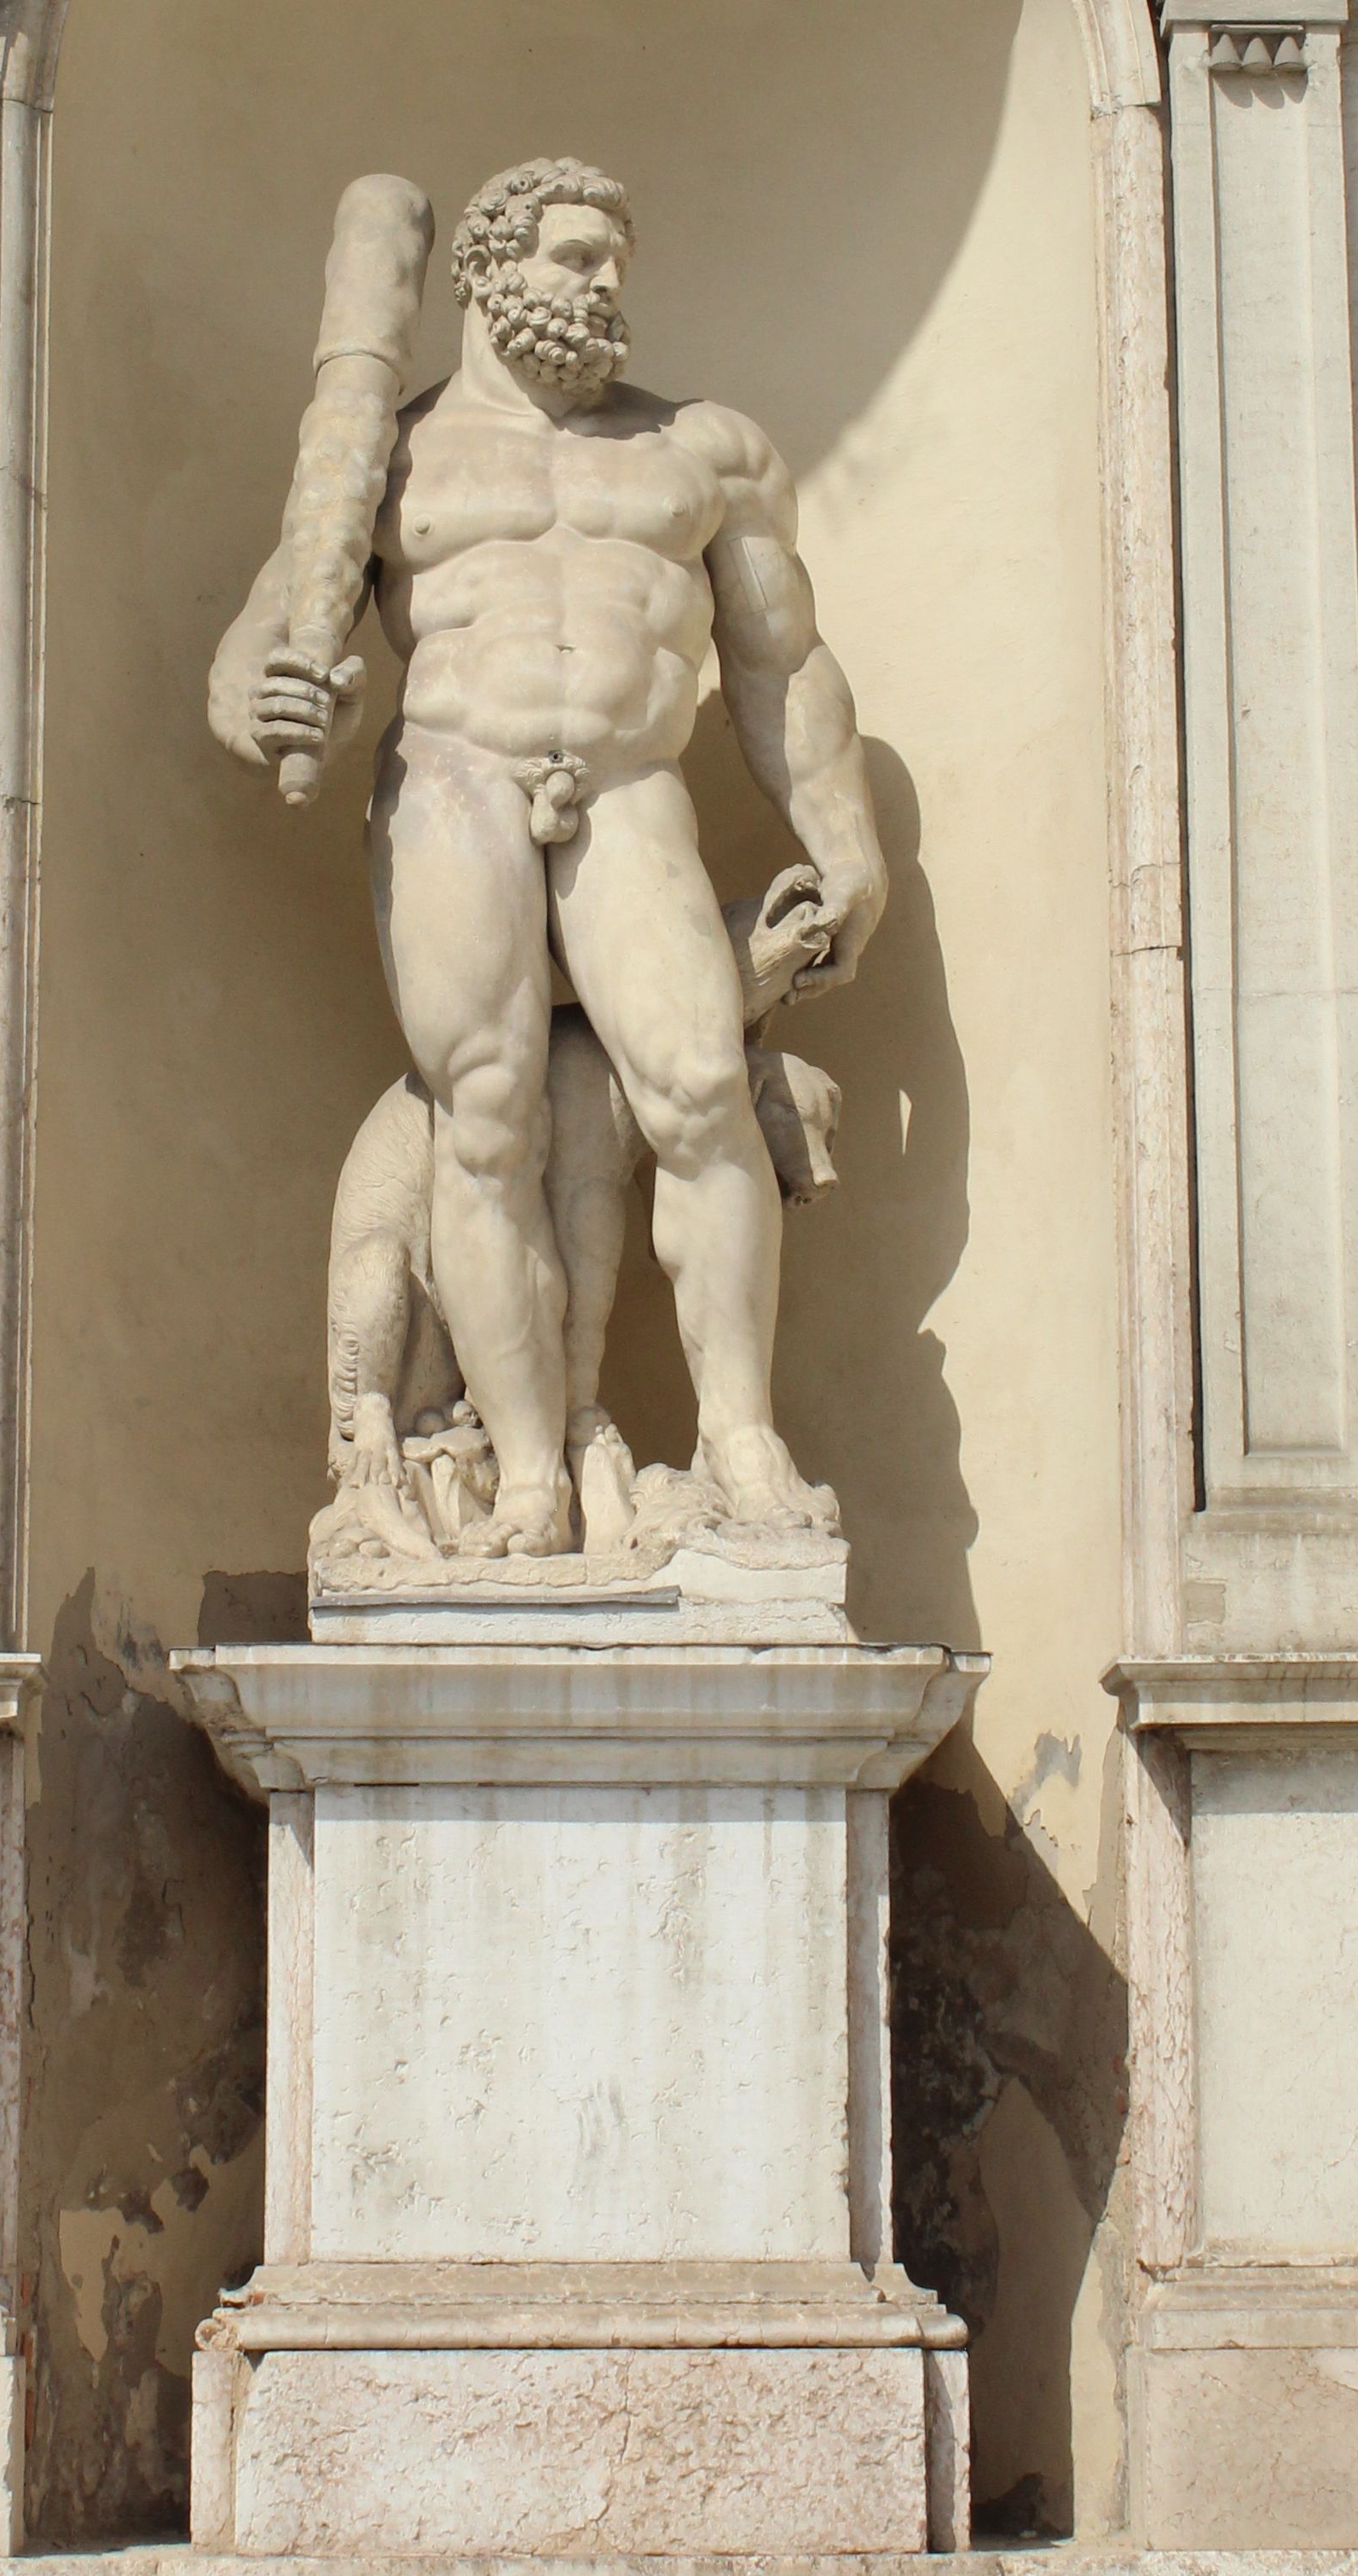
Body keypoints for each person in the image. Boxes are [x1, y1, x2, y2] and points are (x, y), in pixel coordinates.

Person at [211, 156, 886, 1551]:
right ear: (486, 270)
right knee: (488, 1119)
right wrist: (268, 706)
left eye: (617, 260)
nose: (606, 283)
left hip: (631, 786)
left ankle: (743, 1446)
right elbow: (255, 654)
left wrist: (846, 841)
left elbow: (783, 663)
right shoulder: (387, 454)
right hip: (452, 777)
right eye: (577, 256)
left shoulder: (706, 451)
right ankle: (525, 1474)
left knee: (701, 1088)